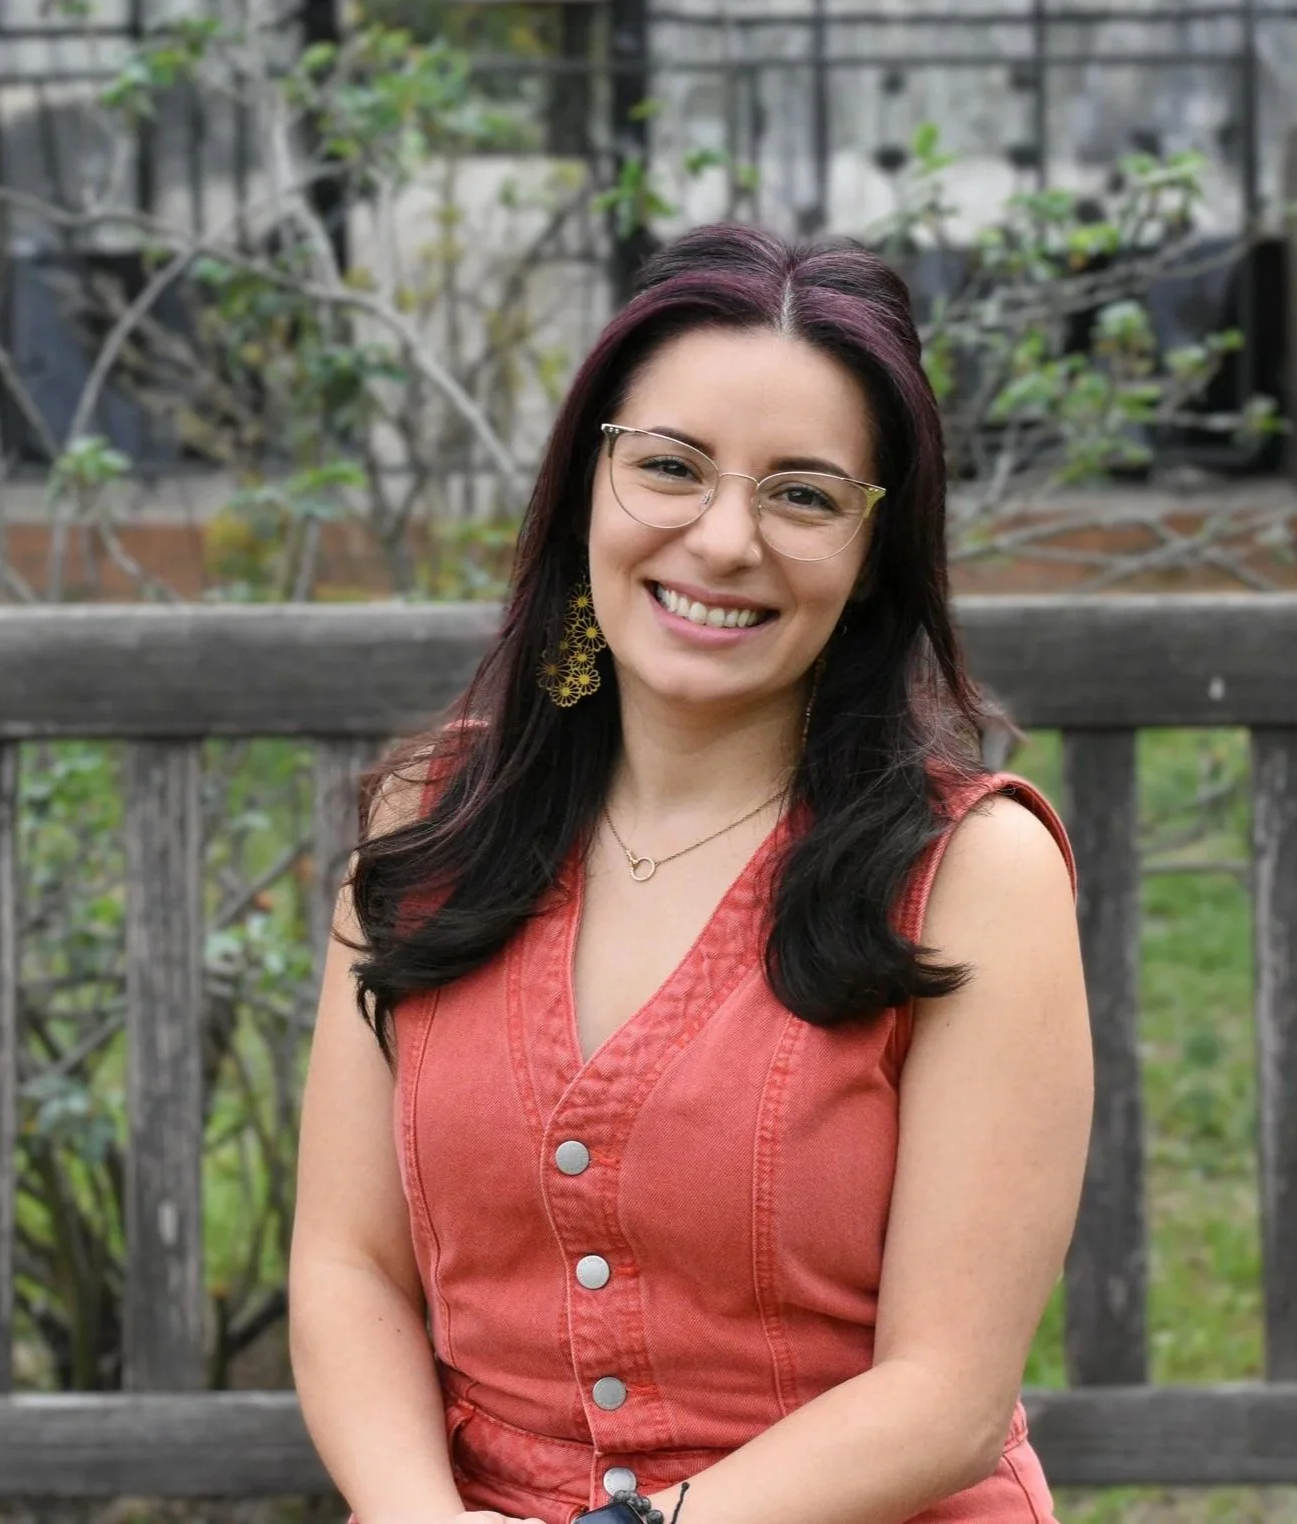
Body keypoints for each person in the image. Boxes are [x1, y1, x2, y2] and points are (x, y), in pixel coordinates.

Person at [290, 223, 1092, 1524]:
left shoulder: (972, 874)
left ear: (875, 549)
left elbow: (946, 1396)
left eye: (804, 493)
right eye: (670, 468)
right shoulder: (433, 824)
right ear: (587, 488)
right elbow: (345, 1266)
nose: (723, 541)